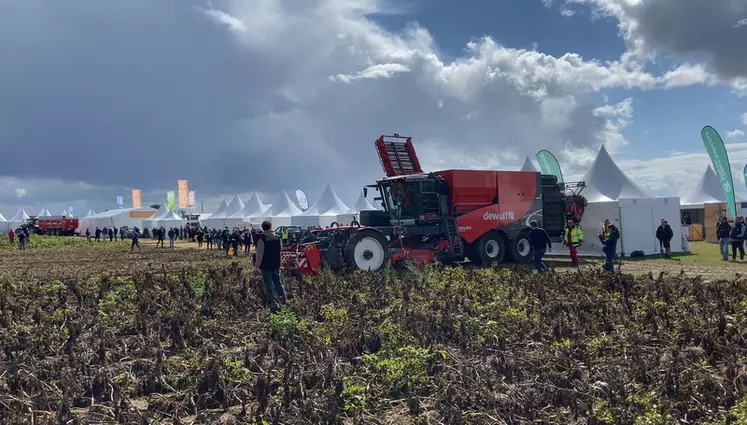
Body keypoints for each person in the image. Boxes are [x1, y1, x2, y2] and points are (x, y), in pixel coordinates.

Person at [254, 220, 287, 309]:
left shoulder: (262, 239)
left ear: (262, 227)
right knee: (278, 282)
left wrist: (256, 267)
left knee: (269, 284)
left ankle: (272, 302)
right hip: (276, 264)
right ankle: (283, 299)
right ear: (271, 227)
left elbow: (259, 255)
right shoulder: (277, 238)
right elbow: (280, 251)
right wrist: (280, 262)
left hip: (266, 265)